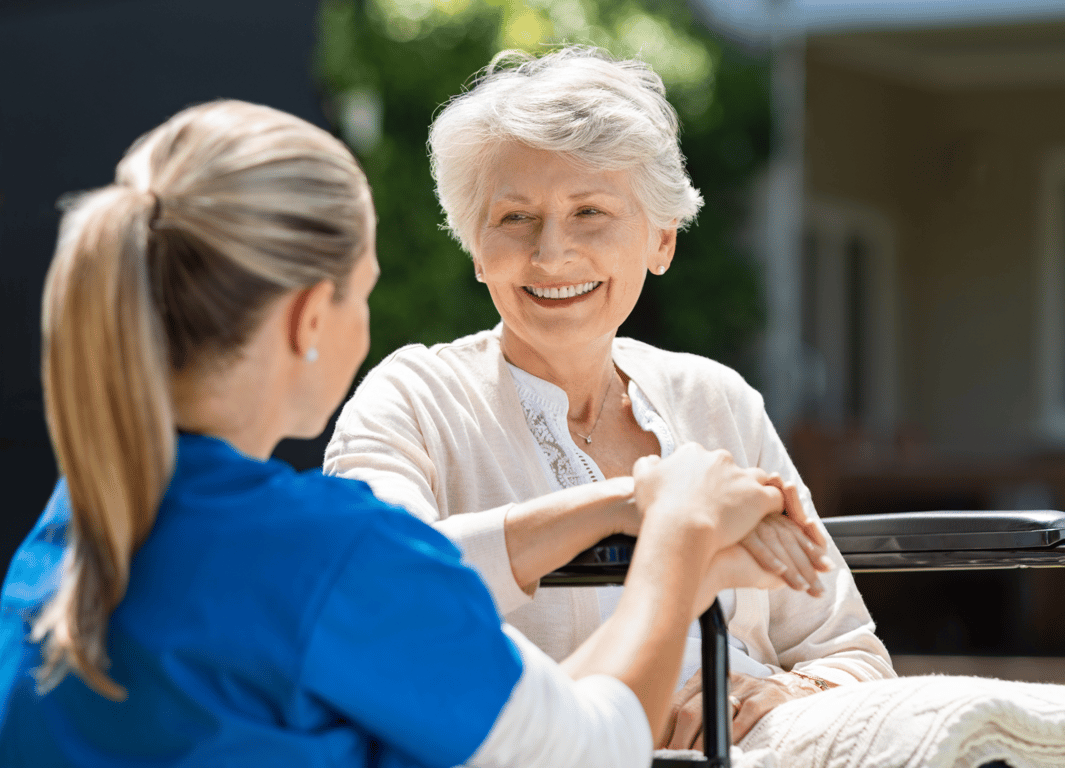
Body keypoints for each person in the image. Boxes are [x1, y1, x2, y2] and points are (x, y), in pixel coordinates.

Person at [0, 99, 814, 767]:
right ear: (309, 319)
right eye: (364, 293)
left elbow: (544, 729)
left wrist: (626, 511)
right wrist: (675, 528)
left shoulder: (74, 527)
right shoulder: (330, 557)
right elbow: (591, 749)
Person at [323, 46, 896, 749]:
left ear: (661, 240)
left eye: (589, 212)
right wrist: (635, 505)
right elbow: (378, 592)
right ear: (476, 248)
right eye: (514, 218)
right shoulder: (410, 398)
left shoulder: (717, 401)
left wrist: (773, 693)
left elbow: (851, 654)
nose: (551, 254)